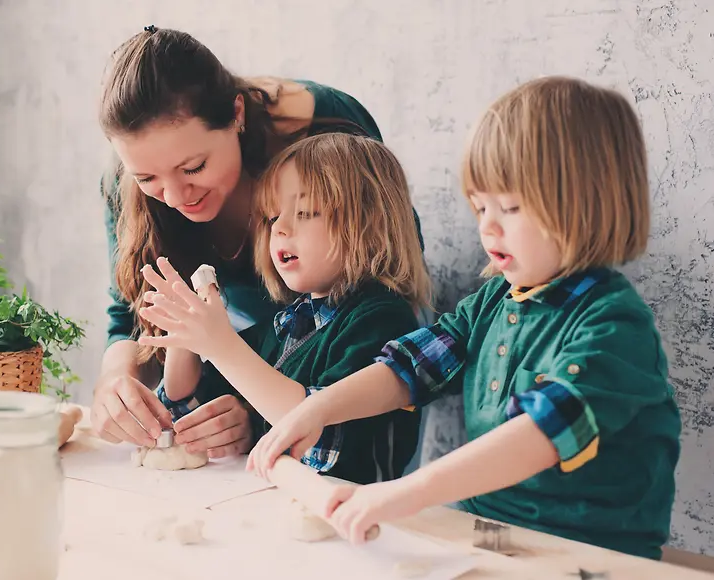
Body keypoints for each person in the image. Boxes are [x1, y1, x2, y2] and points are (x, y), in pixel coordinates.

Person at [247, 76, 681, 560]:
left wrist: (407, 491)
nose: (487, 226)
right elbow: (407, 370)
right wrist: (317, 410)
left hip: (592, 551)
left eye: (510, 207)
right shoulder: (493, 300)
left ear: (588, 200)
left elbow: (542, 434)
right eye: (479, 206)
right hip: (491, 532)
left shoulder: (613, 327)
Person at [91, 25, 427, 457]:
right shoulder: (122, 182)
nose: (175, 197)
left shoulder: (325, 130)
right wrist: (116, 380)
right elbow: (132, 313)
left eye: (193, 167)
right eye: (147, 178)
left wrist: (249, 396)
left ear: (236, 115)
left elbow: (387, 265)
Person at [137, 133, 432, 483]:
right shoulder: (290, 322)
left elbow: (319, 440)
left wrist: (221, 346)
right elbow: (188, 409)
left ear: (371, 224)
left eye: (305, 212)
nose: (281, 228)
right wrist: (185, 340)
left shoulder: (381, 318)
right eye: (272, 216)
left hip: (354, 518)